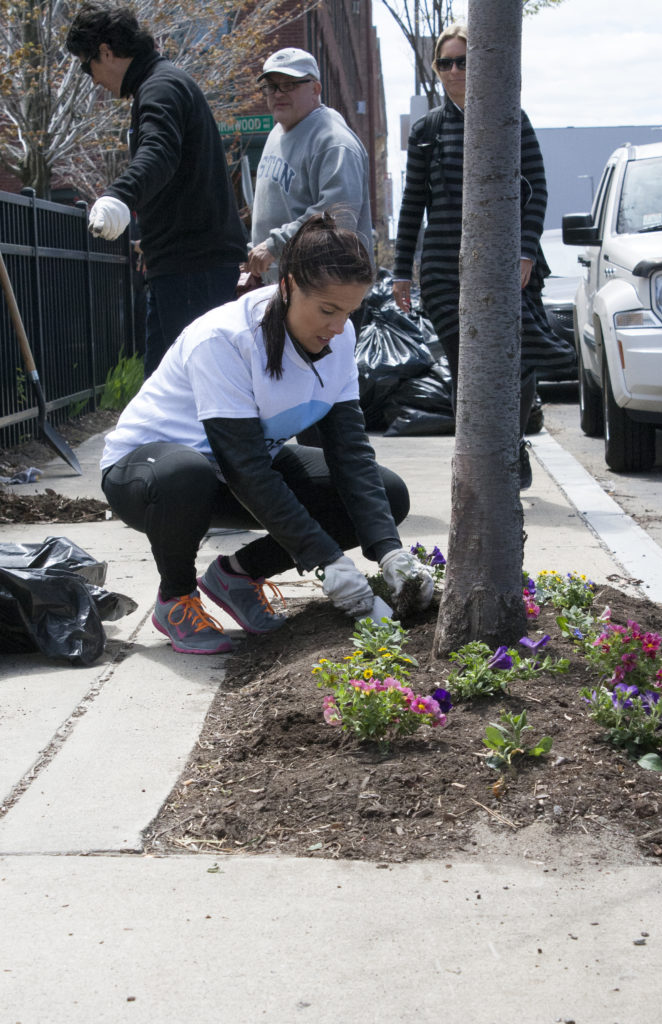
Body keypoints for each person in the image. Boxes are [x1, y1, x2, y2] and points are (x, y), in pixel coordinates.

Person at [100, 215, 434, 656]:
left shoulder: (340, 335)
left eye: (349, 312)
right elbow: (245, 466)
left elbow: (351, 453)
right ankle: (176, 600)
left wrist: (389, 552)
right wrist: (327, 559)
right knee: (187, 473)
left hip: (234, 468)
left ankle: (237, 576)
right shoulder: (225, 339)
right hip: (151, 477)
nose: (338, 327)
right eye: (328, 310)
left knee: (388, 495)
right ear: (289, 285)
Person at [392, 22, 575, 490]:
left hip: (505, 263)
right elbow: (412, 204)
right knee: (467, 370)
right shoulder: (427, 130)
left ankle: (511, 447)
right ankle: (477, 467)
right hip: (443, 268)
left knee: (518, 360)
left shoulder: (508, 116)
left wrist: (525, 251)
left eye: (464, 60)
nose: (454, 70)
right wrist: (401, 274)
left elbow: (536, 188)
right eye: (445, 62)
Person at [66, 3, 247, 378]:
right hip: (184, 265)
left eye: (88, 65)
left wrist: (119, 195)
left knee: (191, 395)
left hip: (193, 269)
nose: (91, 78)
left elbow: (159, 152)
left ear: (106, 51)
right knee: (164, 395)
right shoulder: (160, 84)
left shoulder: (160, 88)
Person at [247, 47, 374, 285]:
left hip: (324, 292)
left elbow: (337, 217)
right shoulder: (277, 132)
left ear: (315, 89)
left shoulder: (334, 142)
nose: (278, 93)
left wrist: (275, 244)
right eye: (271, 86)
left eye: (289, 84)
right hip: (286, 286)